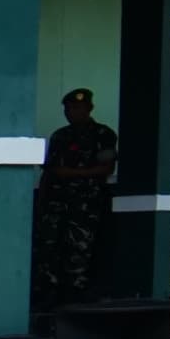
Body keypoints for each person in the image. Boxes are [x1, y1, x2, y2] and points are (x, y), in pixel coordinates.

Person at [34, 87, 117, 315]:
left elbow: (106, 168)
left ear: (89, 109)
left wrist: (70, 173)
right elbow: (50, 172)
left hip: (86, 206)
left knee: (79, 253)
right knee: (49, 251)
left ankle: (75, 299)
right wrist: (42, 199)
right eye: (68, 108)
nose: (71, 112)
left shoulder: (103, 134)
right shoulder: (60, 136)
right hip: (56, 204)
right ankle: (49, 297)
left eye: (77, 108)